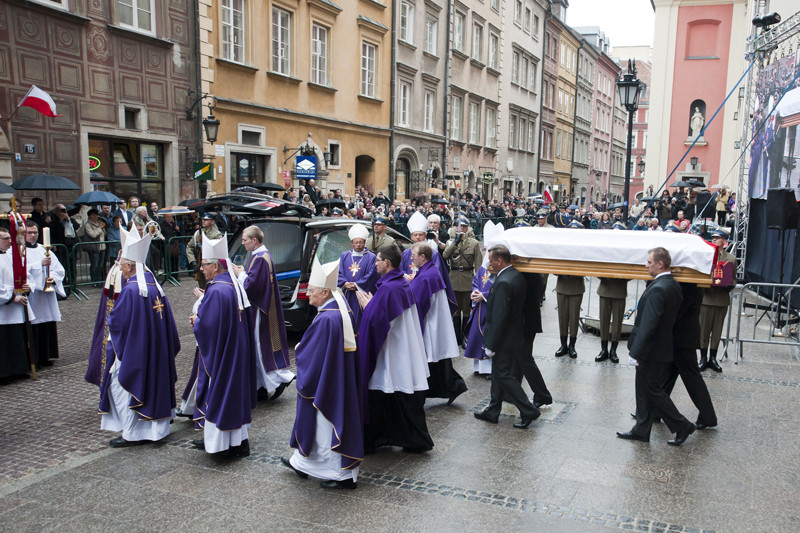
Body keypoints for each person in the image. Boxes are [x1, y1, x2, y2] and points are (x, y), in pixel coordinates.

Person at [282, 258, 363, 490]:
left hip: (328, 385)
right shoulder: (340, 308)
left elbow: (313, 354)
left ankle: (340, 475)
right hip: (338, 379)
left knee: (325, 428)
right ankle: (302, 464)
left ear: (326, 292)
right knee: (320, 428)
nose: (308, 295)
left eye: (312, 291)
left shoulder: (327, 318)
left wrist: (300, 349)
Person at [98, 227, 180, 447]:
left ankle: (132, 433)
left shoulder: (132, 289)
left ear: (130, 266)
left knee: (122, 385)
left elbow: (118, 322)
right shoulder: (155, 286)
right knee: (154, 385)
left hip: (137, 351)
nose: (120, 269)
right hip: (157, 349)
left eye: (122, 265)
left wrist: (110, 322)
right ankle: (156, 430)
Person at [356, 245, 432, 454]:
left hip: (391, 351)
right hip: (399, 348)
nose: (375, 263)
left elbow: (377, 321)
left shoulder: (389, 288)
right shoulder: (400, 282)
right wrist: (374, 304)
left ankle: (373, 440)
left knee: (383, 389)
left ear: (387, 263)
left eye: (378, 260)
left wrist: (367, 307)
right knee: (392, 391)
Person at [617, 247, 696, 446]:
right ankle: (641, 429)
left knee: (652, 390)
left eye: (649, 262)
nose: (646, 265)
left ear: (660, 264)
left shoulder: (659, 288)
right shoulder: (672, 285)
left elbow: (649, 324)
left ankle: (682, 425)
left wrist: (636, 351)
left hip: (650, 350)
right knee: (645, 389)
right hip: (658, 348)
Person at [191, 233, 256, 457]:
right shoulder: (231, 284)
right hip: (236, 349)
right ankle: (239, 442)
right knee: (234, 394)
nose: (201, 269)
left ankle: (220, 446)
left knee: (221, 395)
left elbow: (208, 326)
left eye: (204, 264)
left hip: (224, 353)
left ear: (216, 266)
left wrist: (196, 320)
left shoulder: (218, 289)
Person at [473, 244, 540, 428]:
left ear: (500, 260)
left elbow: (499, 316)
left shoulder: (503, 282)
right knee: (498, 373)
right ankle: (493, 410)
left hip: (503, 338)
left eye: (491, 260)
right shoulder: (515, 275)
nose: (489, 264)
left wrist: (491, 343)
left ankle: (528, 410)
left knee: (503, 375)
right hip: (513, 334)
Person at [231, 226, 295, 400]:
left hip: (260, 310)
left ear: (254, 240)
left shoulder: (260, 258)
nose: (243, 243)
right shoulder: (261, 255)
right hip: (264, 307)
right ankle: (261, 386)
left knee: (260, 348)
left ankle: (278, 380)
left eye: (245, 240)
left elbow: (252, 286)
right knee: (258, 348)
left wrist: (240, 274)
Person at [409, 242, 467, 404]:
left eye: (413, 255)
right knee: (439, 362)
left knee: (431, 362)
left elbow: (417, 304)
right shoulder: (430, 271)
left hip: (430, 325)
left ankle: (426, 395)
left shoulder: (425, 277)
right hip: (435, 323)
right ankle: (453, 387)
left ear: (422, 257)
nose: (411, 258)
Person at [665, 282, 718, 430]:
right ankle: (652, 410)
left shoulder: (689, 284)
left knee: (691, 378)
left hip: (683, 337)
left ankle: (708, 416)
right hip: (682, 336)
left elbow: (679, 310)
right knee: (667, 375)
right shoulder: (690, 282)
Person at [24, 222, 66, 367]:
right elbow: (21, 270)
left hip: (46, 296)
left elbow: (58, 269)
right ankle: (35, 358)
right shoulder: (20, 251)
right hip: (33, 295)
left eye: (35, 232)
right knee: (34, 325)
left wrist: (52, 279)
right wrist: (39, 264)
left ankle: (47, 355)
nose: (33, 235)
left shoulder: (44, 249)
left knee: (47, 323)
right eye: (29, 232)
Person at [699, 229, 736, 372]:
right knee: (704, 330)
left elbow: (734, 278)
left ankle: (712, 358)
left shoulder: (731, 259)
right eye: (713, 237)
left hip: (721, 299)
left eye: (718, 238)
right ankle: (703, 358)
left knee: (717, 330)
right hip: (707, 297)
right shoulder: (706, 256)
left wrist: (729, 285)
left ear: (724, 241)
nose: (714, 239)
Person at [442, 217, 482, 346]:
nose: (461, 229)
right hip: (454, 278)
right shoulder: (451, 242)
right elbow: (445, 255)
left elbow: (478, 264)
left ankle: (465, 337)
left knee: (466, 310)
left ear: (468, 228)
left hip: (467, 278)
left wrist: (478, 282)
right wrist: (455, 242)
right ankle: (455, 338)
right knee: (455, 309)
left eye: (464, 226)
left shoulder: (474, 243)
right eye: (459, 226)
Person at [0, 227, 32, 380]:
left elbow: (24, 274)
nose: (9, 241)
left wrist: (27, 287)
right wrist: (12, 297)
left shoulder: (12, 256)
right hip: (4, 307)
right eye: (5, 238)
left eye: (9, 238)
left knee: (17, 339)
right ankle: (4, 374)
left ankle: (19, 370)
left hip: (16, 308)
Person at [337, 223, 378, 331]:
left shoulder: (371, 257)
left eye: (361, 242)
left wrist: (357, 285)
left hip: (361, 293)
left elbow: (372, 274)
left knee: (359, 321)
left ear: (365, 242)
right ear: (352, 243)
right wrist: (344, 283)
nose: (358, 245)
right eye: (356, 242)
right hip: (346, 293)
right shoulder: (345, 255)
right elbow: (339, 272)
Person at [186, 213, 222, 289]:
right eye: (203, 219)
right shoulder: (198, 233)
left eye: (206, 220)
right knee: (202, 288)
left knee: (212, 288)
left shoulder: (216, 235)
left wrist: (203, 247)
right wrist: (192, 261)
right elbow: (189, 247)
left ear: (212, 222)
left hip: (212, 267)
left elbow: (218, 251)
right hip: (200, 265)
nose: (203, 221)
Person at [83, 208, 107, 283]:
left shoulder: (99, 223)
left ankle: (99, 280)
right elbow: (92, 235)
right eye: (93, 215)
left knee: (101, 265)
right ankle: (94, 280)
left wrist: (102, 228)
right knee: (95, 265)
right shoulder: (88, 225)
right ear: (89, 216)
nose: (95, 216)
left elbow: (104, 234)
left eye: (96, 215)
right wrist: (99, 228)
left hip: (102, 246)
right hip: (94, 247)